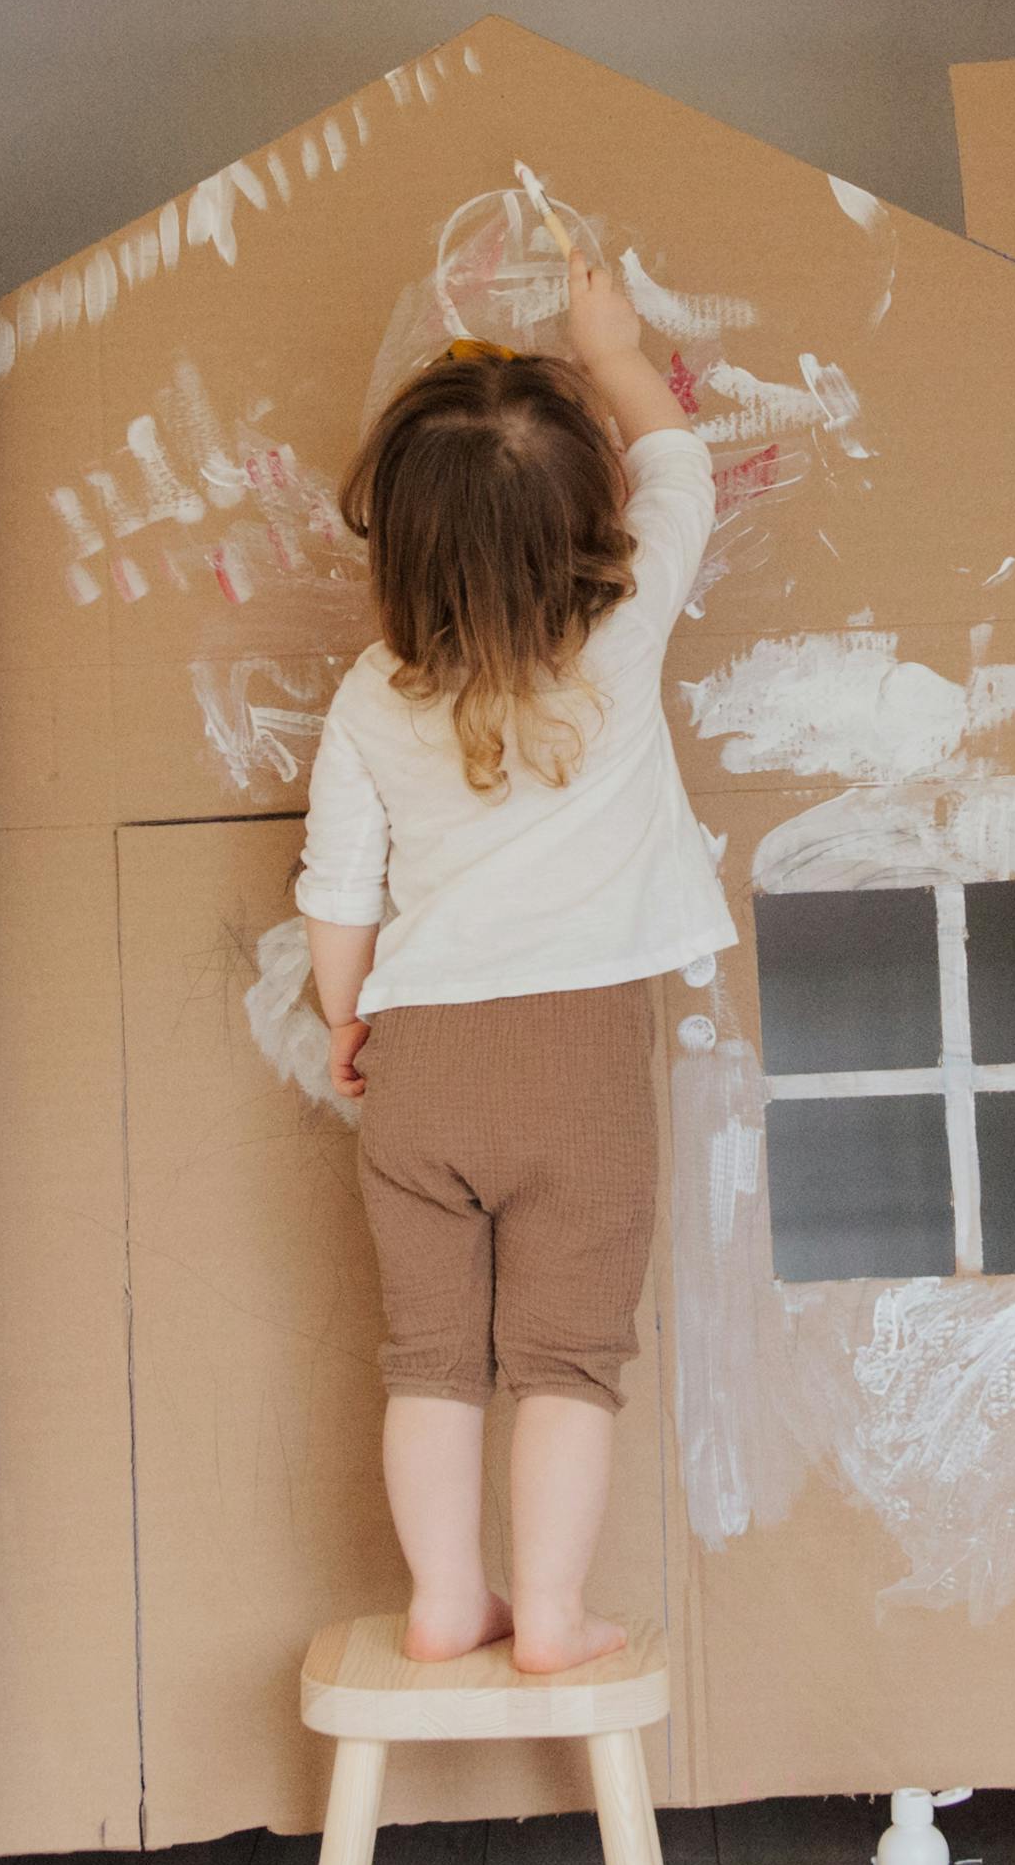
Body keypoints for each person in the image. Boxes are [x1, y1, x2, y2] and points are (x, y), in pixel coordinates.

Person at [297, 217, 731, 1672]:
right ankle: (546, 1613)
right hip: (583, 1063)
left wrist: (346, 1017)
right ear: (587, 531)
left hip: (421, 1064)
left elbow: (337, 881)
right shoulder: (621, 633)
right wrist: (611, 355)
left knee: (429, 1357)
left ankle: (440, 1599)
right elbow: (679, 465)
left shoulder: (373, 692)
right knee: (562, 1360)